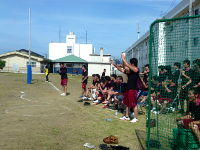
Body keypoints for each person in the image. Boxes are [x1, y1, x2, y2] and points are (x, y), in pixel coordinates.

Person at [112, 53, 140, 123]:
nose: (129, 65)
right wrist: (115, 65)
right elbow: (121, 69)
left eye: (130, 63)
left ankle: (136, 118)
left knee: (134, 104)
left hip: (133, 89)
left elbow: (127, 66)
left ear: (132, 64)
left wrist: (124, 58)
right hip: (128, 89)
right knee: (127, 103)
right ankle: (127, 116)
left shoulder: (136, 69)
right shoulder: (130, 72)